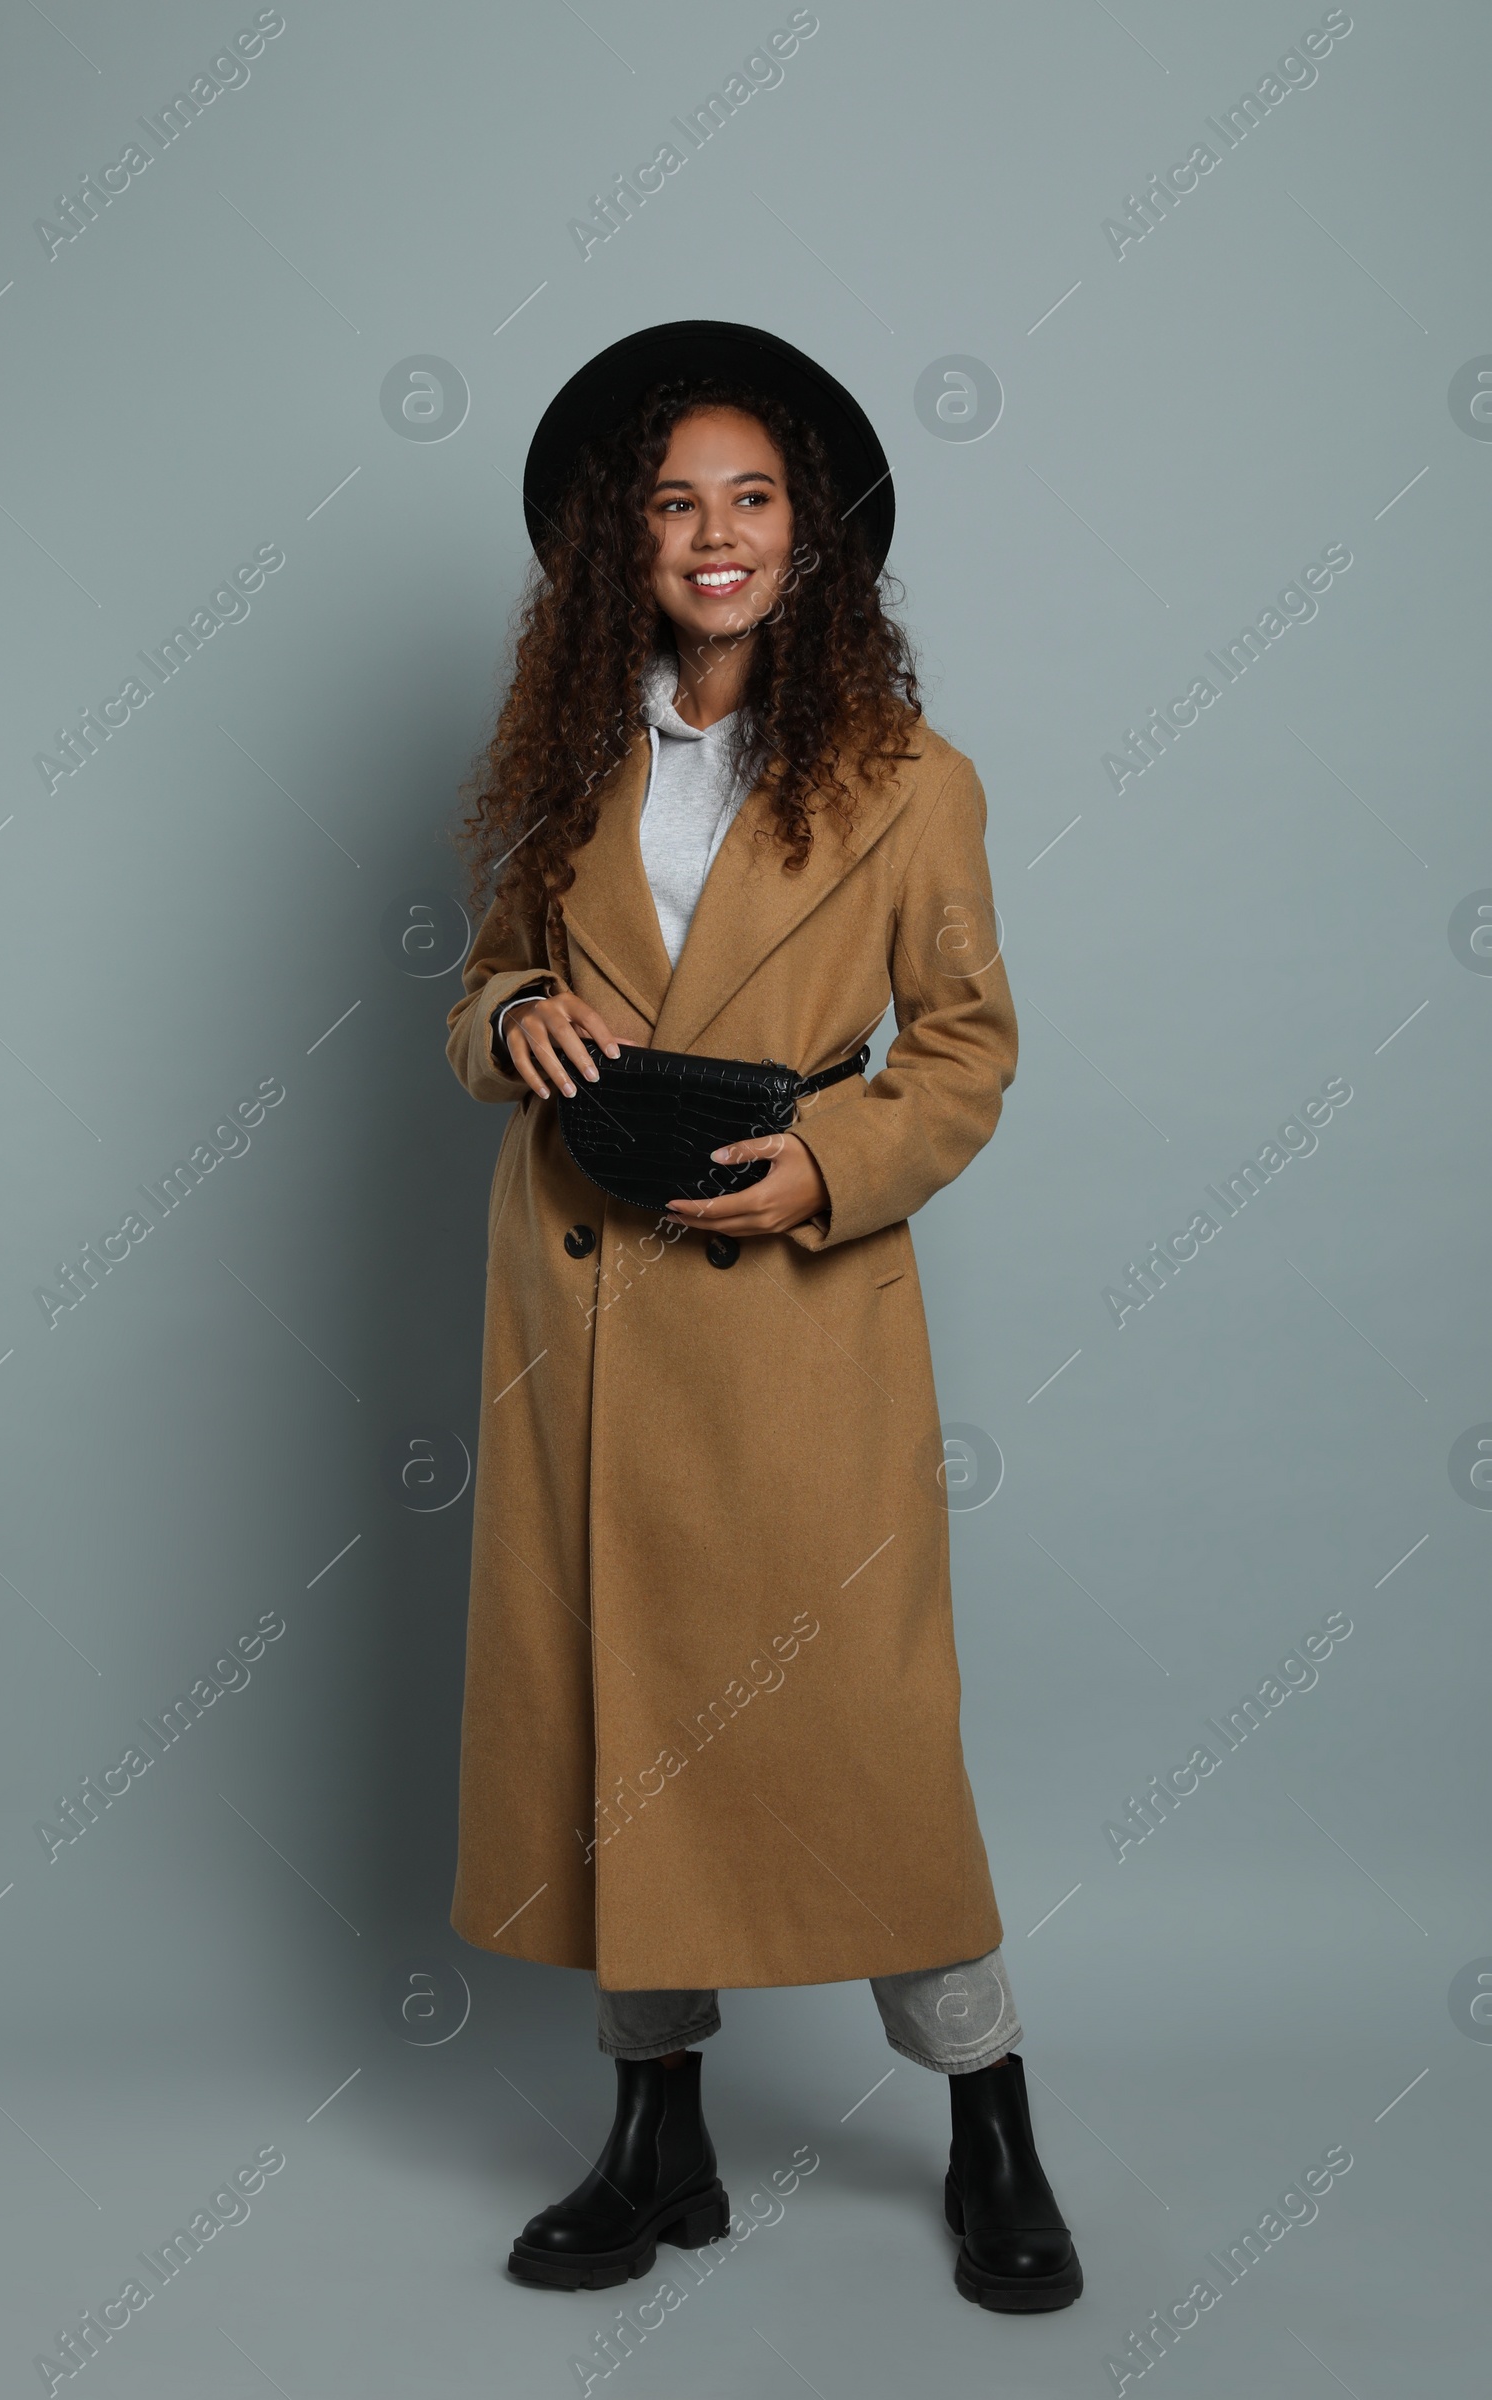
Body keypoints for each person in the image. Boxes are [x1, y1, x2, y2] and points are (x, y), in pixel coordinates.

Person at [446, 321, 1081, 2312]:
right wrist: (512, 1017)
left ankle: (987, 2123)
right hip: (585, 1316)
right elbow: (477, 986)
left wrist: (836, 1165)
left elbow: (965, 1049)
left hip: (790, 1317)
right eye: (670, 502)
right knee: (622, 1727)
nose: (709, 536)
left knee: (865, 1735)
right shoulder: (566, 755)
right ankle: (658, 2139)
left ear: (810, 542)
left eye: (748, 500)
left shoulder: (910, 782)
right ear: (616, 541)